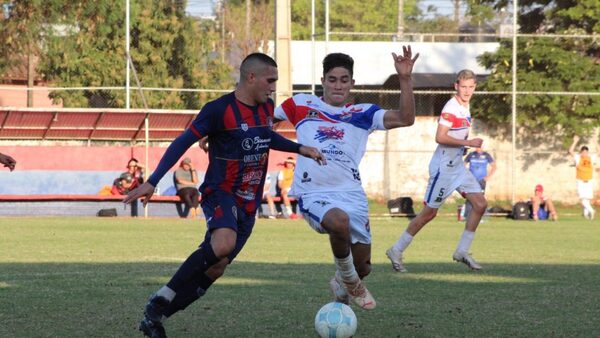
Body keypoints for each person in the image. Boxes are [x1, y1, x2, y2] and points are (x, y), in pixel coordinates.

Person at [123, 53, 325, 338]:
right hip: (221, 192)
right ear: (250, 77)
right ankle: (161, 296)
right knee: (222, 244)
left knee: (217, 267)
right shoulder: (218, 110)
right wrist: (153, 180)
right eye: (271, 80)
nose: (273, 87)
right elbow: (182, 142)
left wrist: (299, 148)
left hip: (250, 200)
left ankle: (155, 317)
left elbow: (266, 137)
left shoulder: (267, 108)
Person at [274, 46, 419, 310]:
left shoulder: (363, 113)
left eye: (344, 80)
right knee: (338, 221)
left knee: (364, 266)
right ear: (323, 82)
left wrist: (405, 79)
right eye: (332, 79)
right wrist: (221, 134)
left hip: (352, 194)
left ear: (352, 84)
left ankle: (345, 282)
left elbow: (406, 118)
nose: (337, 86)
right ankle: (351, 282)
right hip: (313, 192)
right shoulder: (300, 103)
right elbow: (261, 122)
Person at [386, 69, 487, 273]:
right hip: (444, 169)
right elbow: (440, 137)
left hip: (457, 166)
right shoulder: (451, 107)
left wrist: (463, 146)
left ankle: (462, 251)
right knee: (429, 213)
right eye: (463, 86)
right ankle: (396, 250)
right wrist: (468, 142)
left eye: (471, 86)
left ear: (475, 87)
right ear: (456, 86)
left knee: (480, 204)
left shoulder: (465, 106)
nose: (467, 91)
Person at [462, 147, 496, 220]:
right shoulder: (471, 155)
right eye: (477, 147)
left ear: (482, 147)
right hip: (471, 180)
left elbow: (494, 166)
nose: (478, 148)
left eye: (479, 147)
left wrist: (488, 176)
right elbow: (463, 165)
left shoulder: (486, 155)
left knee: (480, 198)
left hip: (481, 180)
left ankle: (479, 216)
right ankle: (467, 216)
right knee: (469, 197)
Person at [568, 135, 597, 220]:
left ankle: (588, 212)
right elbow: (570, 151)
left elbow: (599, 151)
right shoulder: (578, 157)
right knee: (582, 198)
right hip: (580, 180)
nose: (584, 153)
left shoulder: (591, 158)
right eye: (583, 152)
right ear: (581, 152)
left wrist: (595, 141)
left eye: (586, 152)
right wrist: (575, 141)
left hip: (589, 180)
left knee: (587, 198)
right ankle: (589, 212)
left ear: (587, 152)